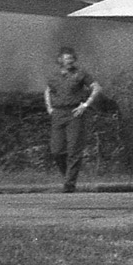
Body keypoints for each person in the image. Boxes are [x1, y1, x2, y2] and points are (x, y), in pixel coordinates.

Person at [45, 47, 101, 192]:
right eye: (66, 59)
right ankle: (67, 176)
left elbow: (96, 88)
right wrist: (49, 107)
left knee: (74, 149)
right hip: (58, 113)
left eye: (71, 58)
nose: (69, 61)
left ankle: (69, 184)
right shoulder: (53, 76)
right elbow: (48, 90)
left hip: (74, 113)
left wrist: (86, 104)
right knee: (56, 150)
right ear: (60, 60)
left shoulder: (80, 74)